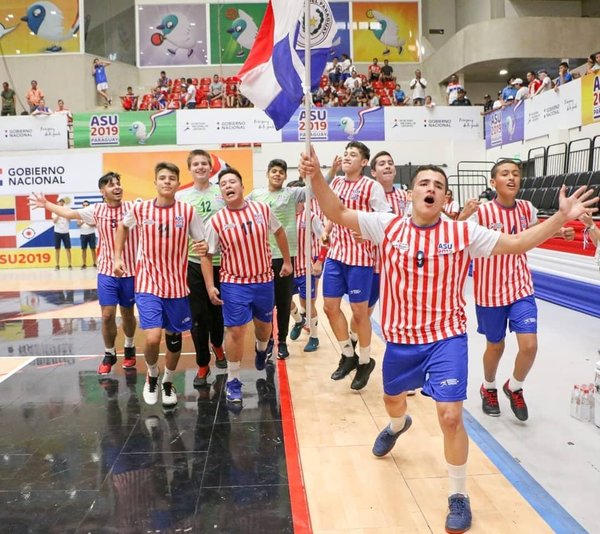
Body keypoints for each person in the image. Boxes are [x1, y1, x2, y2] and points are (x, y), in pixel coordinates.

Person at [299, 145, 596, 534]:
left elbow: (517, 243)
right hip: (402, 341)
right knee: (393, 401)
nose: (431, 188)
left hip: (446, 339)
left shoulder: (462, 232)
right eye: (424, 182)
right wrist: (317, 175)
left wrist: (560, 217)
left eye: (439, 185)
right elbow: (337, 213)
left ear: (445, 197)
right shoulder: (386, 225)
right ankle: (397, 425)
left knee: (451, 417)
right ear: (410, 193)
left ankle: (458, 494)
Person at [459, 160, 576, 422]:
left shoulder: (526, 208)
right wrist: (463, 216)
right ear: (493, 182)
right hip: (489, 292)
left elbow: (534, 231)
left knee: (529, 345)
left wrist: (559, 229)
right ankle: (488, 387)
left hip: (520, 287)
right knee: (495, 346)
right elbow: (456, 233)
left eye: (515, 174)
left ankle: (514, 386)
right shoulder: (483, 213)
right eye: (505, 174)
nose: (511, 178)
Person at [114, 162, 207, 408]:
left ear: (178, 183)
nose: (167, 181)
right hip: (148, 283)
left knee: (174, 339)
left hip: (177, 286)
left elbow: (202, 242)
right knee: (153, 337)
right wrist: (117, 256)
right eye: (162, 177)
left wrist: (204, 247)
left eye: (172, 178)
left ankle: (167, 380)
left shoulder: (187, 212)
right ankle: (152, 374)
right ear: (155, 182)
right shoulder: (141, 209)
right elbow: (123, 227)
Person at [30, 172, 139, 374]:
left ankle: (130, 347)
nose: (116, 187)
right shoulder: (96, 210)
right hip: (106, 271)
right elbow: (70, 214)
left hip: (130, 271)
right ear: (102, 191)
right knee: (107, 315)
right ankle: (109, 353)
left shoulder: (133, 208)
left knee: (127, 314)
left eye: (118, 183)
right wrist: (46, 204)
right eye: (111, 185)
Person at [201, 168, 292, 409]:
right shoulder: (217, 221)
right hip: (233, 283)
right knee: (235, 331)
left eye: (232, 181)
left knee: (263, 328)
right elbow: (207, 256)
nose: (228, 186)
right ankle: (233, 380)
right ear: (221, 193)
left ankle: (262, 349)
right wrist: (211, 286)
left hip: (263, 280)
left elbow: (280, 232)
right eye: (223, 184)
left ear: (242, 187)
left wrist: (287, 260)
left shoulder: (262, 210)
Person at [321, 141, 391, 391]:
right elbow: (329, 209)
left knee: (360, 314)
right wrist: (327, 230)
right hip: (336, 254)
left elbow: (386, 219)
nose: (348, 157)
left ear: (363, 163)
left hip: (361, 258)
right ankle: (347, 354)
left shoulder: (372, 187)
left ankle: (364, 361)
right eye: (346, 153)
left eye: (354, 155)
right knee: (330, 308)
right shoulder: (337, 183)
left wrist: (371, 234)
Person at [175, 149, 227, 388]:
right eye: (195, 164)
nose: (200, 167)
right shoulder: (182, 197)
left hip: (223, 264)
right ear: (190, 169)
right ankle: (203, 363)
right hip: (193, 264)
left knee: (217, 314)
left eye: (204, 163)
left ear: (211, 167)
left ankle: (218, 345)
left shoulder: (222, 192)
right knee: (198, 317)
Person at [246, 159, 304, 359]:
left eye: (281, 172)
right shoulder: (255, 195)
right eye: (274, 171)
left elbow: (317, 189)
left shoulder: (292, 193)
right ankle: (268, 339)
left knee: (284, 301)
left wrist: (329, 169)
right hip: (261, 256)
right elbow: (236, 206)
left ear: (285, 176)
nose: (277, 174)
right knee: (265, 302)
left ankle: (282, 341)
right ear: (268, 174)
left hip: (285, 256)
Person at [287, 179, 325, 353]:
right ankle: (298, 321)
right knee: (284, 302)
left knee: (308, 303)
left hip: (305, 268)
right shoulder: (281, 215)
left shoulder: (311, 216)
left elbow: (326, 240)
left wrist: (319, 261)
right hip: (286, 269)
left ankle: (314, 337)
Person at [51, 199, 72, 269]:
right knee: (57, 249)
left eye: (62, 202)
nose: (61, 203)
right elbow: (54, 221)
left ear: (64, 203)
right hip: (57, 232)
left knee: (68, 249)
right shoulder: (54, 211)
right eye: (60, 202)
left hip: (65, 232)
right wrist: (59, 214)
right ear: (57, 203)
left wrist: (65, 214)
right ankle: (57, 265)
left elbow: (69, 220)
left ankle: (69, 264)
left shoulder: (67, 210)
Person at [77, 200, 98, 269]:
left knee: (93, 249)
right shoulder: (79, 214)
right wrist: (83, 221)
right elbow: (78, 224)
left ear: (89, 206)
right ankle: (84, 264)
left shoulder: (91, 214)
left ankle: (95, 263)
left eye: (86, 205)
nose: (85, 206)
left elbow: (95, 224)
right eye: (84, 205)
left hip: (91, 233)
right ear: (82, 206)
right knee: (83, 249)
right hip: (83, 234)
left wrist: (89, 223)